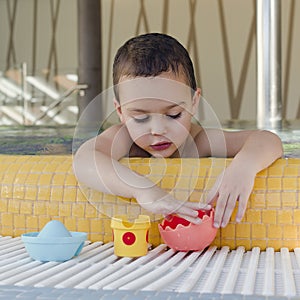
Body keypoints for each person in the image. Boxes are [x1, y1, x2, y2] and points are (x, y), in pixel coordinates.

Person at [73, 33, 283, 228]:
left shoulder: (199, 140)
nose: (158, 130)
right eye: (140, 117)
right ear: (120, 111)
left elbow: (267, 139)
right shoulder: (123, 138)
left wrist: (243, 166)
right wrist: (143, 189)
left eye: (174, 115)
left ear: (194, 103)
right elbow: (84, 159)